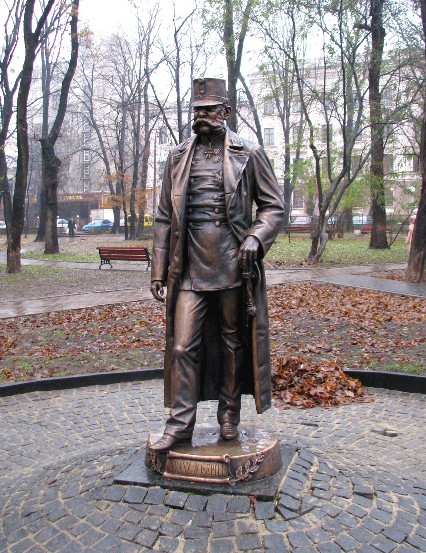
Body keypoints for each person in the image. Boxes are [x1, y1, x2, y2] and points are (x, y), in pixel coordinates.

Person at [150, 78, 284, 451]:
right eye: (197, 110)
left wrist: (256, 238)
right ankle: (180, 424)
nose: (202, 117)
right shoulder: (177, 157)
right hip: (188, 266)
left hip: (232, 264)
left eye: (209, 110)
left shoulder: (250, 152)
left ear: (225, 112)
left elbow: (273, 207)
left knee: (231, 343)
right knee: (181, 346)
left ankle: (229, 415)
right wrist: (159, 270)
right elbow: (164, 217)